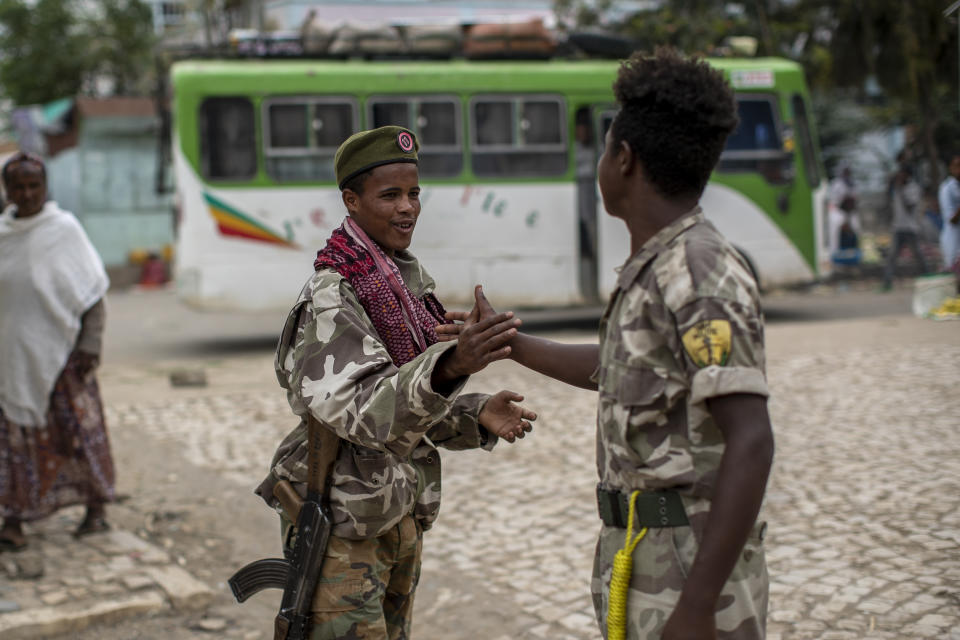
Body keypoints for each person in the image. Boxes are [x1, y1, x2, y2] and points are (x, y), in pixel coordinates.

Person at [442, 49, 774, 639]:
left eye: (602, 148)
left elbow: (751, 438)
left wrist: (697, 609)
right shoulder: (656, 265)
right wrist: (509, 343)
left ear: (623, 159)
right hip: (642, 554)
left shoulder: (697, 271)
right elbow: (615, 367)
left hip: (692, 571)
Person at [255, 126, 536, 640]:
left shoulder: (398, 279)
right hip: (344, 527)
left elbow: (406, 397)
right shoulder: (332, 295)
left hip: (396, 515)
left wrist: (475, 413)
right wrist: (450, 365)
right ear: (351, 201)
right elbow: (363, 413)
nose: (407, 208)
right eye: (390, 195)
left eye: (414, 194)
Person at [0, 152, 115, 550]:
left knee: (77, 435)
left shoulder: (64, 229)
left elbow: (92, 294)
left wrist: (89, 346)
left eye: (34, 185)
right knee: (14, 441)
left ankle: (96, 507)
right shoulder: (4, 234)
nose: (27, 193)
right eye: (18, 186)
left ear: (46, 187)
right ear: (7, 190)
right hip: (13, 360)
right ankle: (15, 518)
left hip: (65, 356)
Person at [882, 167, 928, 290]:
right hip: (898, 227)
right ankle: (887, 282)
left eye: (902, 175)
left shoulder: (913, 188)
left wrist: (901, 190)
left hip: (911, 228)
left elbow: (909, 207)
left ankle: (927, 277)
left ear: (908, 175)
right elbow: (888, 199)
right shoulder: (896, 188)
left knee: (918, 255)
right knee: (892, 256)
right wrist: (890, 184)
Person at [828, 166, 861, 265]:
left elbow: (855, 199)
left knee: (856, 229)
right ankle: (833, 258)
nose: (847, 173)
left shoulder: (853, 183)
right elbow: (837, 200)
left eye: (848, 171)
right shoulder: (836, 184)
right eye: (845, 171)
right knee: (835, 233)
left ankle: (855, 257)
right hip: (837, 210)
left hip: (850, 211)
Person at [939, 153, 960, 277]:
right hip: (953, 241)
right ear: (951, 168)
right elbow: (951, 220)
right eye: (957, 166)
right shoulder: (946, 189)